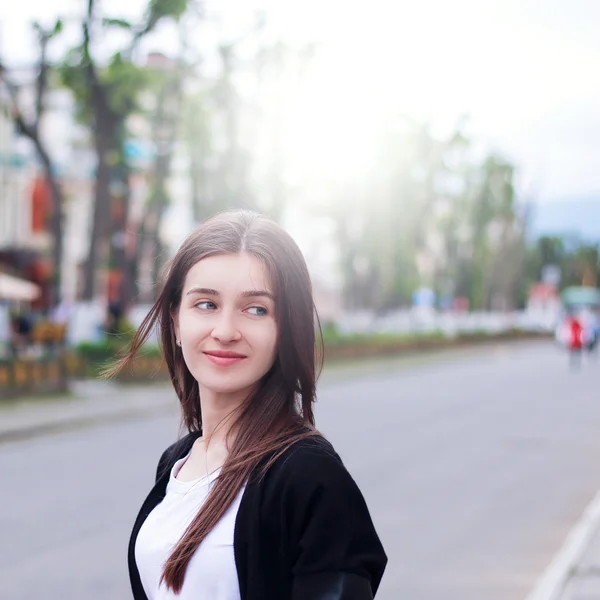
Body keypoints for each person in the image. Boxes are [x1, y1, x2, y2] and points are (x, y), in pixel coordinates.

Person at [108, 210, 387, 600]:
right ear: (175, 320)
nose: (224, 332)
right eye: (205, 304)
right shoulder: (177, 462)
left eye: (256, 309)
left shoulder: (308, 474)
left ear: (285, 328)